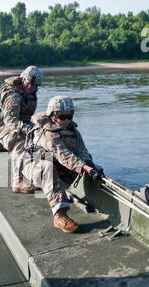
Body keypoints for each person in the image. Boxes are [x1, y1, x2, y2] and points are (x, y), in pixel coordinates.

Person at [22, 95, 104, 233]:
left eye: (69, 116)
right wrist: (85, 167)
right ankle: (59, 215)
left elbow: (82, 150)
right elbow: (63, 154)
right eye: (62, 117)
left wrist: (90, 164)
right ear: (53, 115)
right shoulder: (47, 132)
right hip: (34, 169)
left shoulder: (73, 131)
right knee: (47, 166)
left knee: (95, 167)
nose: (66, 120)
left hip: (57, 168)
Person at [0, 66, 43, 194]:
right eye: (29, 84)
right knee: (20, 141)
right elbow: (10, 121)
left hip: (17, 123)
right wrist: (27, 128)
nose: (31, 87)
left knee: (40, 138)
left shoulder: (28, 92)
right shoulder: (13, 95)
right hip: (1, 125)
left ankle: (32, 174)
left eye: (35, 85)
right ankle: (17, 182)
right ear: (23, 79)